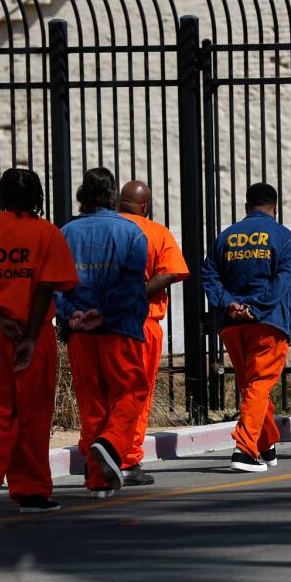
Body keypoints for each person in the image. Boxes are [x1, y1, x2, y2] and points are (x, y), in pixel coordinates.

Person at [0, 168, 79, 516]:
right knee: (32, 415)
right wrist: (30, 332)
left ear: (2, 195)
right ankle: (31, 492)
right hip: (32, 335)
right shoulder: (46, 233)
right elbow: (45, 285)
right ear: (38, 195)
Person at [58, 168, 152, 497]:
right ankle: (110, 446)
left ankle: (98, 481)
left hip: (81, 333)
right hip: (119, 330)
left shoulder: (66, 233)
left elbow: (56, 285)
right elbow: (131, 284)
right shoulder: (131, 232)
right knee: (131, 394)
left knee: (92, 403)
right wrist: (105, 313)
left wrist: (71, 317)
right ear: (113, 195)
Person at [201, 183, 291, 472]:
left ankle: (265, 443)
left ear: (246, 207)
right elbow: (282, 280)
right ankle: (244, 450)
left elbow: (209, 274)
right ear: (275, 208)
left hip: (232, 325)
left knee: (251, 387)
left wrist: (229, 303)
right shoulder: (285, 238)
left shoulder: (226, 237)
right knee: (258, 385)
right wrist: (255, 307)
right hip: (268, 322)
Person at [117, 180, 189, 482]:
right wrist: (136, 293)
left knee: (102, 393)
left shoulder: (104, 227)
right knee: (137, 394)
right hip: (142, 323)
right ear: (145, 206)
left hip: (100, 324)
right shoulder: (156, 232)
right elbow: (173, 271)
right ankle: (128, 459)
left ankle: (100, 447)